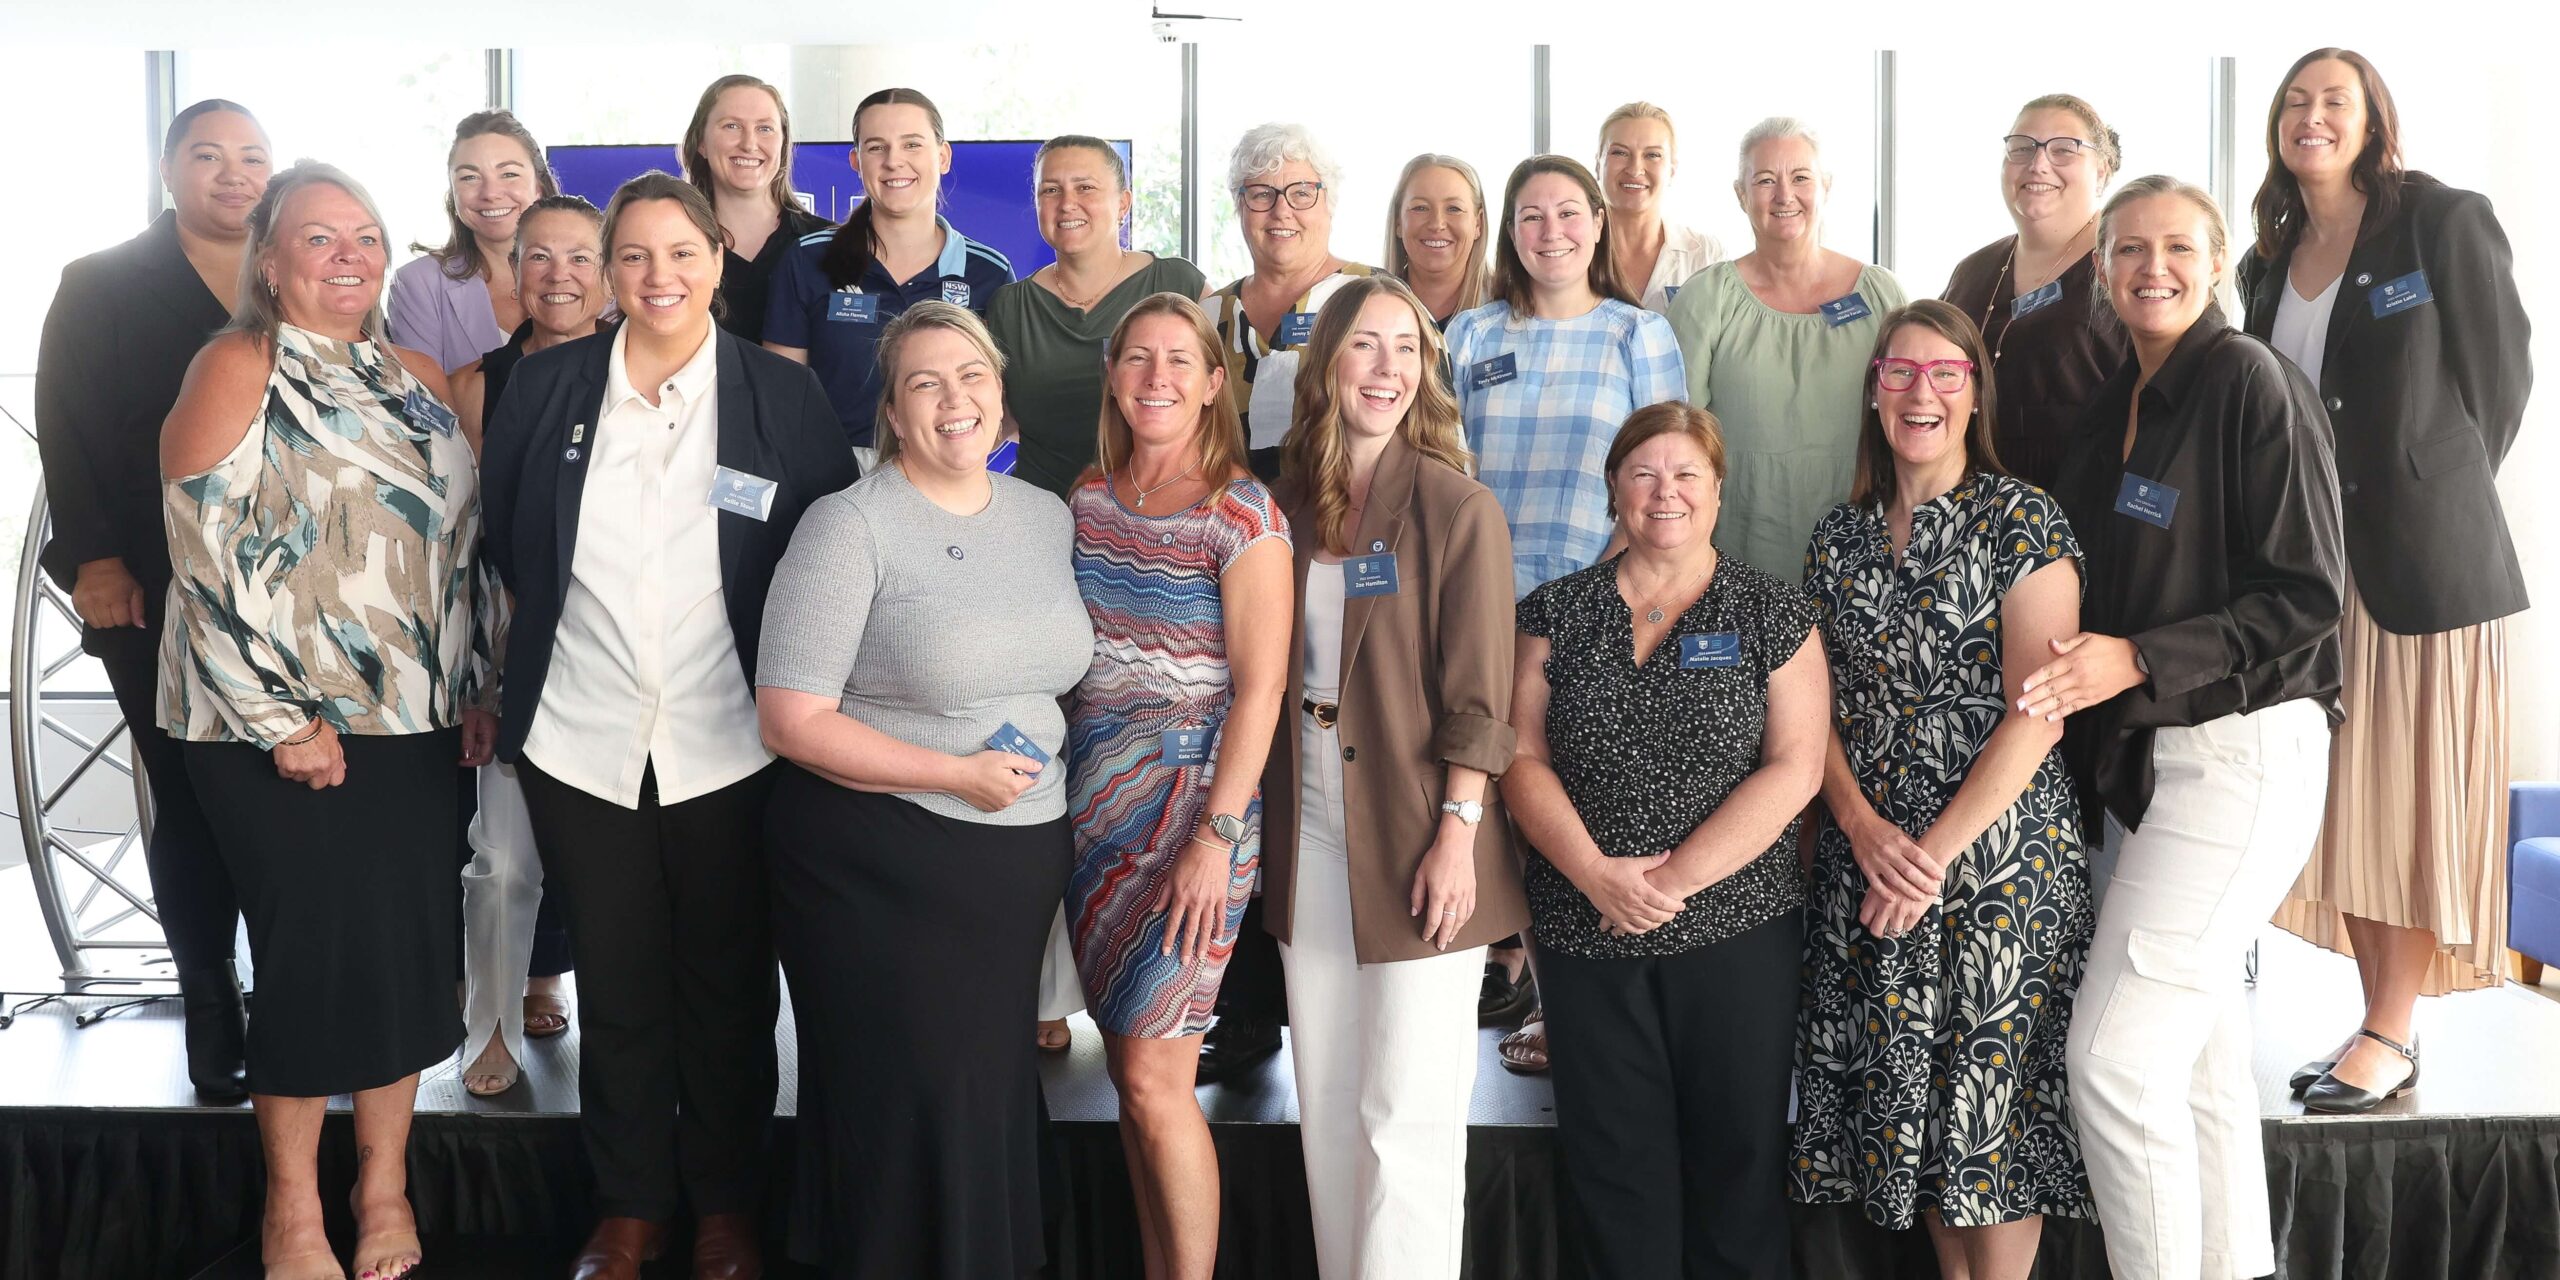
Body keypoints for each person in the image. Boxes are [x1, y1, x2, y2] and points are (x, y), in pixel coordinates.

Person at [479, 172, 858, 1280]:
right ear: (605, 270)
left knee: (730, 982)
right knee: (618, 974)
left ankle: (729, 1203)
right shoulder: (547, 389)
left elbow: (824, 554)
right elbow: (513, 539)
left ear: (717, 262)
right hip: (583, 732)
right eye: (633, 256)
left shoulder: (776, 399)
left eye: (681, 254)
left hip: (734, 736)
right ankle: (631, 1205)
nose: (658, 277)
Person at [158, 160, 491, 1280]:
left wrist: (473, 685)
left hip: (413, 722)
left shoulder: (418, 373)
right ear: (269, 261)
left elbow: (456, 550)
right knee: (309, 957)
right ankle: (293, 1210)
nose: (348, 252)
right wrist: (281, 719)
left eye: (364, 233)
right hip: (274, 730)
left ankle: (383, 1184)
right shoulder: (235, 363)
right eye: (318, 237)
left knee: (402, 956)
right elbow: (201, 561)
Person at [2030, 175, 2344, 1280]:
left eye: (2175, 248)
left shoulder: (2250, 382)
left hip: (2237, 751)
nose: (2149, 268)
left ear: (2215, 261)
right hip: (2143, 766)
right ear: (2102, 268)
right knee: (2200, 1065)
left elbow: (2305, 600)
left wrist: (2137, 656)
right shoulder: (2117, 391)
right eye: (2127, 250)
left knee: (2111, 1061)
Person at [757, 302, 1092, 1278]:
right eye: (925, 383)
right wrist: (954, 770)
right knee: (902, 1097)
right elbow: (792, 717)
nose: (956, 400)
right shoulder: (849, 524)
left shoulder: (1044, 512)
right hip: (876, 858)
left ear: (1001, 392)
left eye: (972, 376)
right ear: (893, 414)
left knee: (984, 1083)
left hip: (1013, 857)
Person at [2245, 49, 2535, 1113]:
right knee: (2354, 801)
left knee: (2409, 797)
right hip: (2313, 573)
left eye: (2334, 101)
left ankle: (2389, 1028)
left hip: (2422, 571)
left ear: (2372, 120)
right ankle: (2379, 1024)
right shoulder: (2266, 261)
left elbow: (2501, 379)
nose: (2310, 116)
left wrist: (2425, 489)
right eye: (2294, 101)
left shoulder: (2438, 221)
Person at [1789, 300, 2093, 1277]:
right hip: (1870, 870)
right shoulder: (1835, 538)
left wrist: (1930, 856)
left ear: (1972, 393)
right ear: (1874, 390)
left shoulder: (2022, 518)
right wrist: (1863, 826)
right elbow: (1809, 716)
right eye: (1901, 372)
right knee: (1916, 1130)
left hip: (1993, 874)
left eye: (1944, 374)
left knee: (1986, 1134)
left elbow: (2038, 710)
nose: (1921, 392)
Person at [1503, 403, 1828, 1278]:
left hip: (1735, 933)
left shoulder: (1772, 613)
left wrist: (1669, 882)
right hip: (1584, 929)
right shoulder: (1552, 612)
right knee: (1614, 1172)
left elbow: (1796, 771)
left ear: (1720, 491)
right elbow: (1520, 757)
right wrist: (1596, 876)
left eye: (1687, 474)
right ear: (1613, 487)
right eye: (1644, 472)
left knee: (1738, 1164)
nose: (1666, 492)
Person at [1263, 275, 1526, 1279]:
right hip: (1309, 827)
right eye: (1366, 346)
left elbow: (1479, 701)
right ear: (1326, 363)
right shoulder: (1279, 504)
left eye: (1407, 349)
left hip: (1421, 828)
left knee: (1402, 1114)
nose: (1387, 368)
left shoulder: (1458, 507)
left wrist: (1457, 833)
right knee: (1327, 1102)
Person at [33, 97, 267, 1104]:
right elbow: (67, 424)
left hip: (288, 588)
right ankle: (212, 1004)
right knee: (192, 794)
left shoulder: (295, 270)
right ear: (171, 169)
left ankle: (299, 996)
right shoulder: (99, 282)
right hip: (148, 579)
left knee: (290, 800)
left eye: (252, 156)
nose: (233, 173)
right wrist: (94, 558)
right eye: (208, 155)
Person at [1066, 293, 1291, 1280]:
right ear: (1113, 375)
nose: (1157, 377)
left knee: (1161, 1072)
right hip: (1091, 816)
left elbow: (1263, 687)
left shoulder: (1239, 511)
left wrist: (1217, 832)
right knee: (1128, 1067)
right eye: (1137, 359)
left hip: (1194, 817)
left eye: (1178, 361)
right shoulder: (1087, 496)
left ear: (1211, 384)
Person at [1446, 154, 1685, 1072]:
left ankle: (1578, 1006)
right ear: (1509, 233)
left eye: (1568, 214)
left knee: (1577, 812)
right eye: (1530, 217)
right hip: (1477, 608)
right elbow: (1439, 466)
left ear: (1597, 223)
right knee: (1488, 807)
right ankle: (1513, 992)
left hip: (1596, 611)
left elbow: (1666, 476)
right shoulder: (1468, 334)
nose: (1551, 232)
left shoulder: (1637, 335)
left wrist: (1628, 599)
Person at [444, 193, 609, 1098]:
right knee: (502, 859)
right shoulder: (477, 385)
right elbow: (467, 546)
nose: (557, 276)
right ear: (512, 271)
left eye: (580, 257)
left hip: (624, 653)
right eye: (538, 257)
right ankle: (491, 1029)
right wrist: (480, 680)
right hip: (515, 647)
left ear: (611, 269)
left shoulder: (647, 374)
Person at [1666, 116, 1908, 580]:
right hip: (1737, 546)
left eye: (1800, 178)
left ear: (1826, 187)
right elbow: (1676, 439)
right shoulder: (1706, 299)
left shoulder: (1882, 295)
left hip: (1864, 545)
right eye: (1764, 180)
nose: (1784, 195)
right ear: (1740, 194)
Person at [766, 87, 1015, 449]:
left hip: (944, 480)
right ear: (856, 160)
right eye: (876, 147)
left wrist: (951, 459)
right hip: (829, 480)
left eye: (912, 144)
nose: (894, 161)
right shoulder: (808, 259)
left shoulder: (988, 272)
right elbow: (781, 397)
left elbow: (1000, 408)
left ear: (943, 156)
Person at [987, 134, 1207, 498]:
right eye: (1051, 190)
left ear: (1123, 203)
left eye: (1085, 187)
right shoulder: (1008, 305)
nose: (1067, 204)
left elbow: (1223, 401)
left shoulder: (1179, 283)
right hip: (1042, 516)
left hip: (1158, 515)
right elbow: (994, 421)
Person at [1941, 94, 2133, 491]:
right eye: (2021, 148)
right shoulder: (1972, 272)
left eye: (2064, 149)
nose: (2038, 163)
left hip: (2085, 520)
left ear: (2103, 170)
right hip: (1969, 519)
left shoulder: (2132, 268)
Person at [1205, 122, 1377, 481]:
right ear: (1240, 206)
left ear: (1329, 204)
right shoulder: (1204, 318)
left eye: (1301, 193)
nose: (1281, 210)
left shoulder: (1381, 299)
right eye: (1262, 194)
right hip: (1225, 530)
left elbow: (1435, 437)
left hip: (1354, 529)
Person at [389, 110, 561, 374]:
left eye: (509, 174)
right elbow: (425, 404)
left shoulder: (596, 272)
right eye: (469, 177)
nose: (490, 193)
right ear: (453, 193)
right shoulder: (417, 284)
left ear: (538, 185)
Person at [681, 73, 833, 345]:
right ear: (701, 142)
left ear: (783, 142)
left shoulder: (827, 245)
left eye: (765, 128)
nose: (749, 143)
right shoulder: (674, 245)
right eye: (731, 126)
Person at [1595, 102, 1725, 312]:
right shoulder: (1571, 250)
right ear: (1598, 164)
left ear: (1672, 170)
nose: (1635, 169)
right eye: (1620, 153)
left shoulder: (1705, 255)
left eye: (1652, 155)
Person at [1381, 153, 1491, 327]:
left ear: (1478, 223)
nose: (1436, 224)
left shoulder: (1512, 310)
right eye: (1420, 208)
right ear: (1398, 221)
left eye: (1454, 209)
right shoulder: (1366, 310)